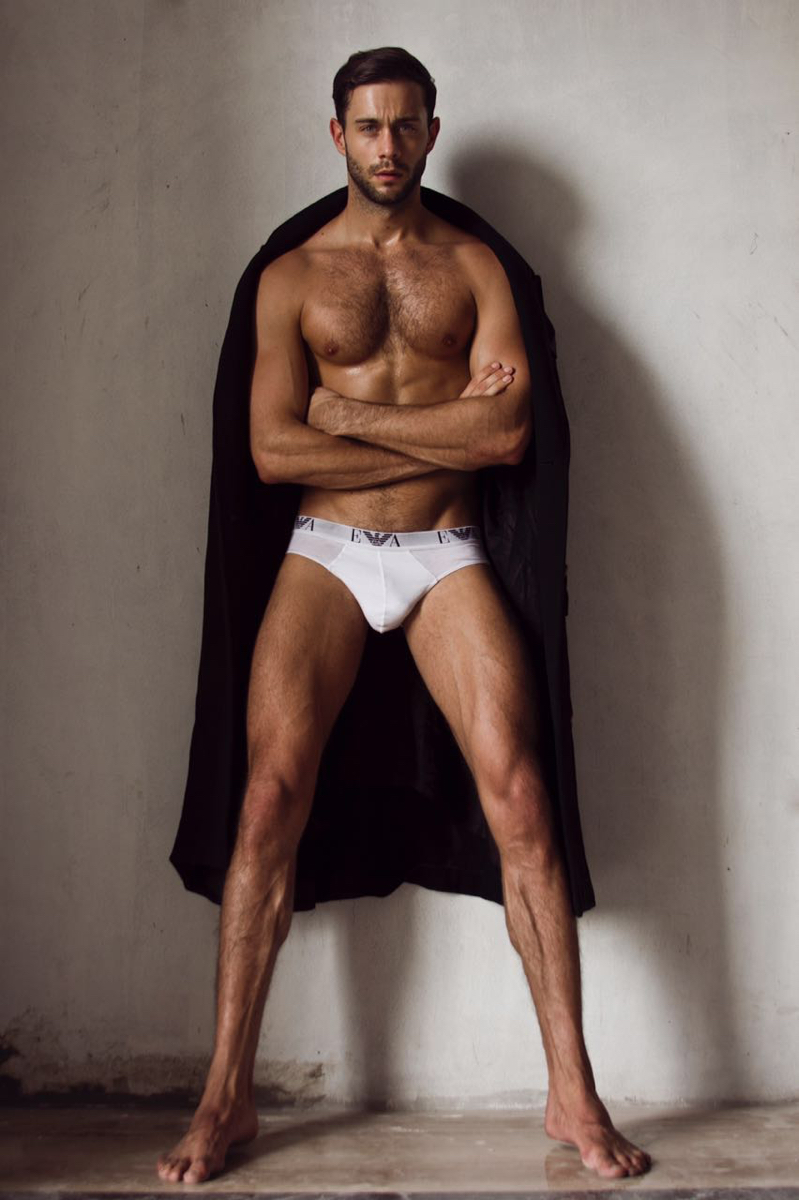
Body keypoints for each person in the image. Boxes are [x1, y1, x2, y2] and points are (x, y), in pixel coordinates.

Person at [157, 46, 651, 1185]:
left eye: (406, 125)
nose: (388, 146)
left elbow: (507, 437)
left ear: (433, 130)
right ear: (336, 134)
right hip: (326, 552)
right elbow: (272, 451)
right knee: (267, 798)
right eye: (368, 126)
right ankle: (226, 1096)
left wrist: (342, 414)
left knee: (521, 796)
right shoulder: (290, 277)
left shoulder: (478, 270)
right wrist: (437, 431)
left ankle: (571, 1092)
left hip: (442, 552)